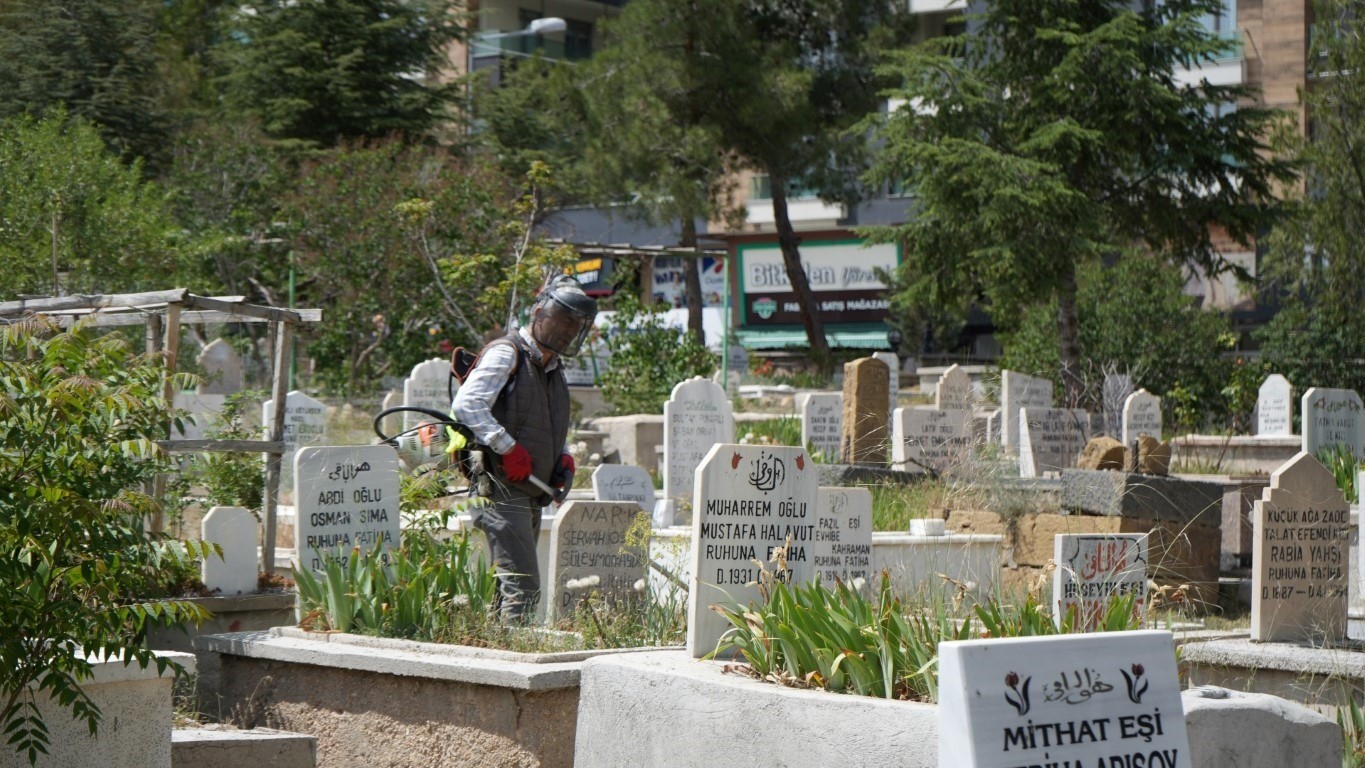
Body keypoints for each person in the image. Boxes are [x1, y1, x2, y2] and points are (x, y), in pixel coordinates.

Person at [452, 275, 597, 622]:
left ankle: (493, 656)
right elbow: (467, 404)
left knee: (508, 589)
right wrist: (507, 448)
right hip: (500, 489)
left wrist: (561, 457)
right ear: (538, 313)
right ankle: (515, 664)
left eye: (574, 325)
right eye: (562, 320)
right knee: (524, 588)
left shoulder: (552, 367)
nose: (566, 330)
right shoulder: (508, 352)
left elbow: (546, 422)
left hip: (530, 489)